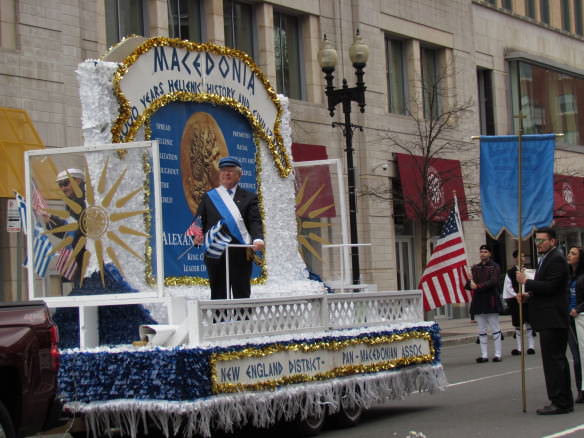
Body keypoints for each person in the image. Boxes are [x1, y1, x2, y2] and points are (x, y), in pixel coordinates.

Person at [517, 227, 573, 415]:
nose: (538, 244)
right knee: (553, 361)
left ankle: (560, 401)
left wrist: (526, 281)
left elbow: (551, 287)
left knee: (554, 361)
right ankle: (560, 398)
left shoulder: (556, 259)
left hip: (554, 318)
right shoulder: (546, 259)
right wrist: (528, 296)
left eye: (542, 240)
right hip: (547, 317)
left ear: (552, 241)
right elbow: (545, 289)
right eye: (536, 241)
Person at [194, 156, 264, 299]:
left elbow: (254, 221)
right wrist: (197, 234)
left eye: (231, 171)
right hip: (216, 251)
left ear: (239, 175)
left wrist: (257, 239)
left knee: (241, 291)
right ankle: (220, 321)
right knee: (218, 292)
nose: (226, 174)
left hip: (239, 251)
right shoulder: (209, 197)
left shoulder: (249, 198)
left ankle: (242, 321)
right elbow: (199, 219)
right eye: (223, 171)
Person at [42, 168, 86, 286]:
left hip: (88, 261)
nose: (63, 188)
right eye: (60, 185)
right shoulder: (72, 202)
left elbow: (79, 230)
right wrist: (50, 219)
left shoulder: (85, 200)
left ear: (78, 181)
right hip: (79, 261)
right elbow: (69, 232)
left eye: (66, 183)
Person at [466, 244, 503, 363]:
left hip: (491, 300)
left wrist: (478, 286)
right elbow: (469, 286)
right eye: (481, 251)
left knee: (495, 328)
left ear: (490, 254)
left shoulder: (494, 267)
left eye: (485, 251)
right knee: (481, 330)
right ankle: (484, 355)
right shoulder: (475, 267)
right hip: (479, 301)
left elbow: (493, 281)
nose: (483, 253)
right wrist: (468, 280)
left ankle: (498, 354)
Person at [502, 250, 536, 356]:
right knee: (518, 324)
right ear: (515, 258)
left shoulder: (528, 271)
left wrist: (527, 294)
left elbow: (533, 283)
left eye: (523, 256)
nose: (523, 258)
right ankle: (519, 347)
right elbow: (508, 286)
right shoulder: (510, 272)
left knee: (529, 323)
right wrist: (516, 294)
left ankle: (531, 346)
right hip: (516, 300)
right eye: (520, 256)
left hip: (527, 299)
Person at [567, 246, 584, 403]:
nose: (569, 255)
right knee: (576, 357)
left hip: (580, 319)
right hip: (569, 321)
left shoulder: (582, 277)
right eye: (569, 253)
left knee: (582, 356)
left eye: (573, 254)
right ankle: (580, 389)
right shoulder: (567, 276)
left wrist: (578, 309)